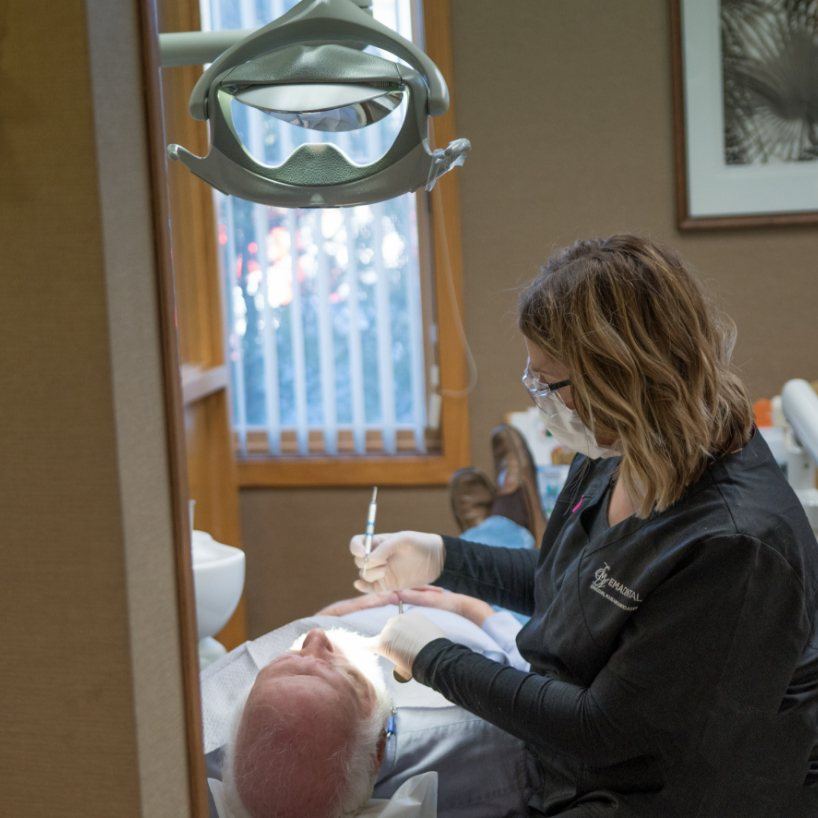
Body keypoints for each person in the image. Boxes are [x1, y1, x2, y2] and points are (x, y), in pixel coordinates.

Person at [351, 235, 818, 816]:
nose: (542, 400)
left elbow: (604, 730)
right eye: (533, 378)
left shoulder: (736, 546)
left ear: (624, 377)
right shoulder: (620, 448)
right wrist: (442, 558)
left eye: (551, 383)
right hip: (570, 751)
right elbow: (579, 586)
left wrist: (432, 657)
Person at [203, 587, 533, 818]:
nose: (316, 637)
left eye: (286, 657)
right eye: (347, 676)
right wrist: (474, 609)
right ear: (377, 750)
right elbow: (543, 696)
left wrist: (326, 619)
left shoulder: (198, 750)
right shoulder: (482, 736)